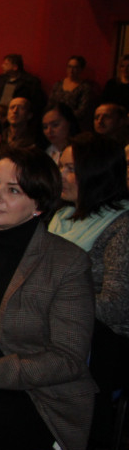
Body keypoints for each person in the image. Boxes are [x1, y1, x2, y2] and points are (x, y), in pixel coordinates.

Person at [0, 147, 94, 450]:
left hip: (32, 397)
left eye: (13, 190)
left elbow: (67, 358)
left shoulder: (67, 263)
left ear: (39, 203)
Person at [49, 133, 129, 396]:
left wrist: (53, 299)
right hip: (54, 328)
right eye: (61, 166)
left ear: (96, 173)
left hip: (100, 342)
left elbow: (116, 307)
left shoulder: (122, 226)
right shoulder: (60, 216)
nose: (60, 175)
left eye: (71, 169)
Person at [49, 55, 98, 131]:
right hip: (54, 120)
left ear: (81, 69)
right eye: (69, 67)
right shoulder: (58, 84)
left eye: (75, 67)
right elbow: (50, 102)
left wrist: (65, 118)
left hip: (73, 124)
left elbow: (82, 110)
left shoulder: (84, 87)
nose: (71, 70)